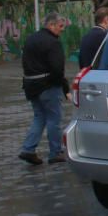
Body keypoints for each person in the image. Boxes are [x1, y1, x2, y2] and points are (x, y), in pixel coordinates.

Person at [19, 12, 70, 165]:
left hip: (31, 85)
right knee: (54, 119)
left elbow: (25, 63)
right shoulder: (53, 42)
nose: (62, 30)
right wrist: (63, 86)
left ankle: (28, 149)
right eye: (60, 26)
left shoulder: (30, 38)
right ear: (51, 25)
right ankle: (55, 152)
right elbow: (57, 69)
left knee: (39, 117)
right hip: (48, 85)